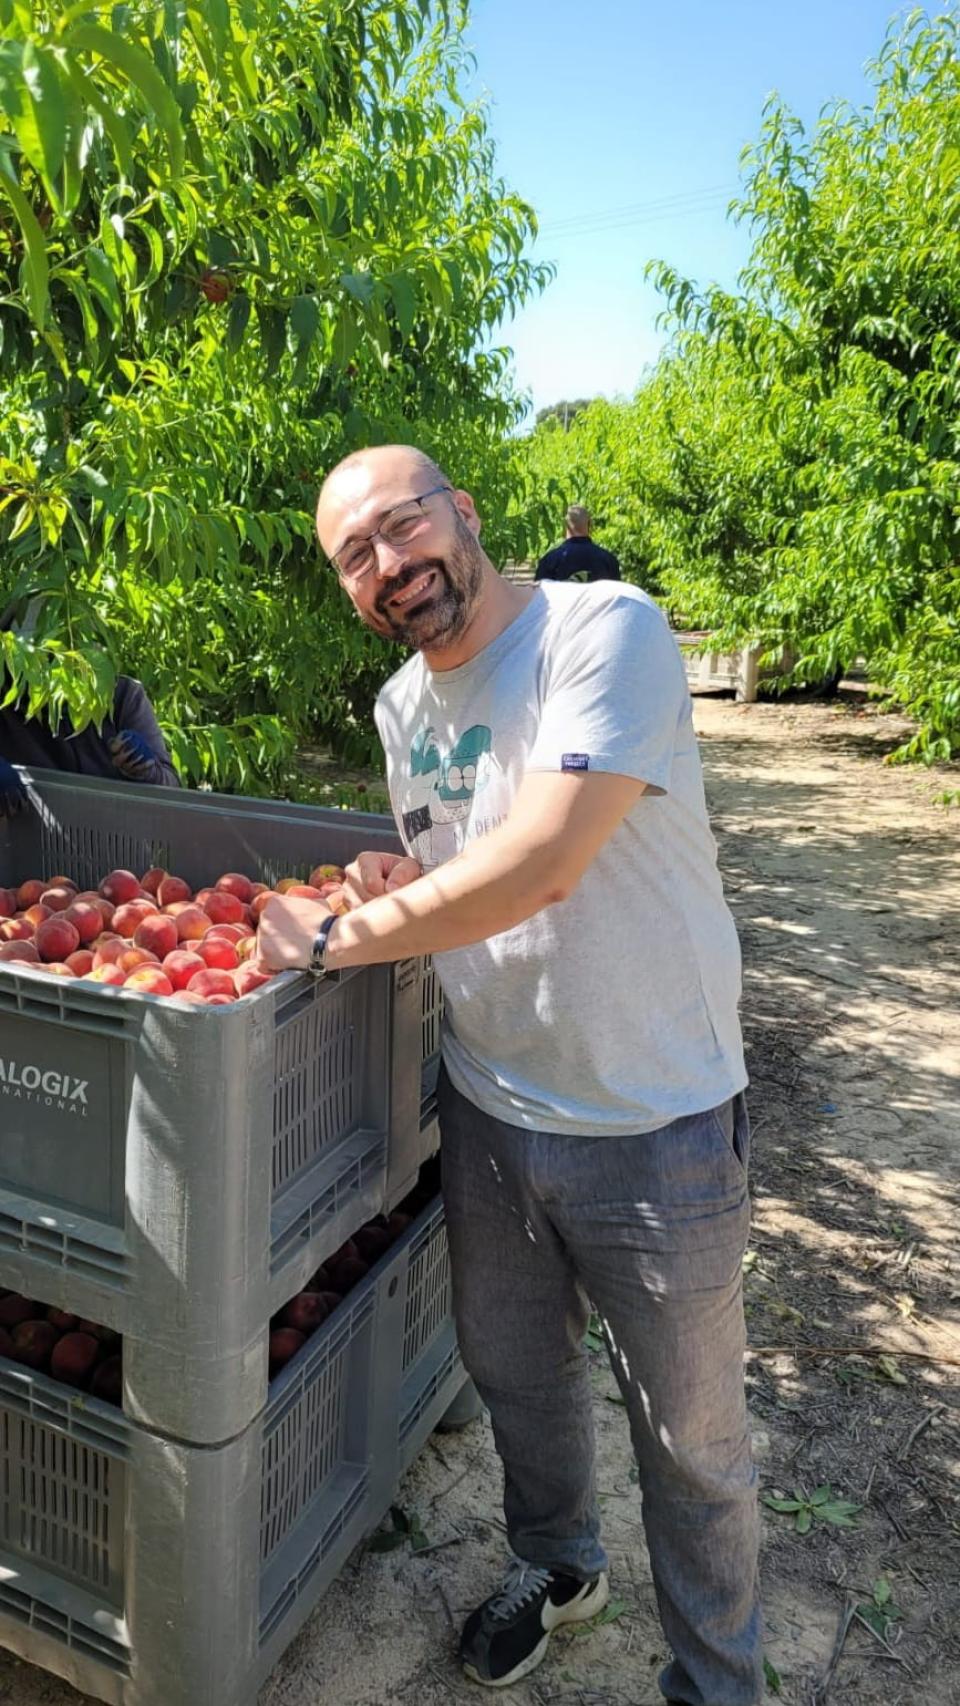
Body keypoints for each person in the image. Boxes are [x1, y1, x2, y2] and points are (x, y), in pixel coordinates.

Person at [259, 446, 761, 1706]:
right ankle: (561, 1565)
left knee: (692, 1444)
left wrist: (336, 934)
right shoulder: (399, 709)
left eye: (402, 525)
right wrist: (397, 880)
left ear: (464, 512)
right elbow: (468, 862)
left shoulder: (606, 630)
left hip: (656, 1113)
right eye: (356, 556)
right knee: (517, 1378)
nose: (389, 565)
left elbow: (543, 859)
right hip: (489, 1105)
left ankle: (717, 1682)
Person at [0, 672, 179, 815]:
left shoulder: (122, 696)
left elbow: (172, 792)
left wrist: (145, 770)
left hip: (115, 837)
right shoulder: (6, 700)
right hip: (29, 840)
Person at [535, 502, 621, 583]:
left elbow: (540, 592)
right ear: (590, 524)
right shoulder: (609, 561)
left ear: (565, 525)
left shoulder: (549, 561)